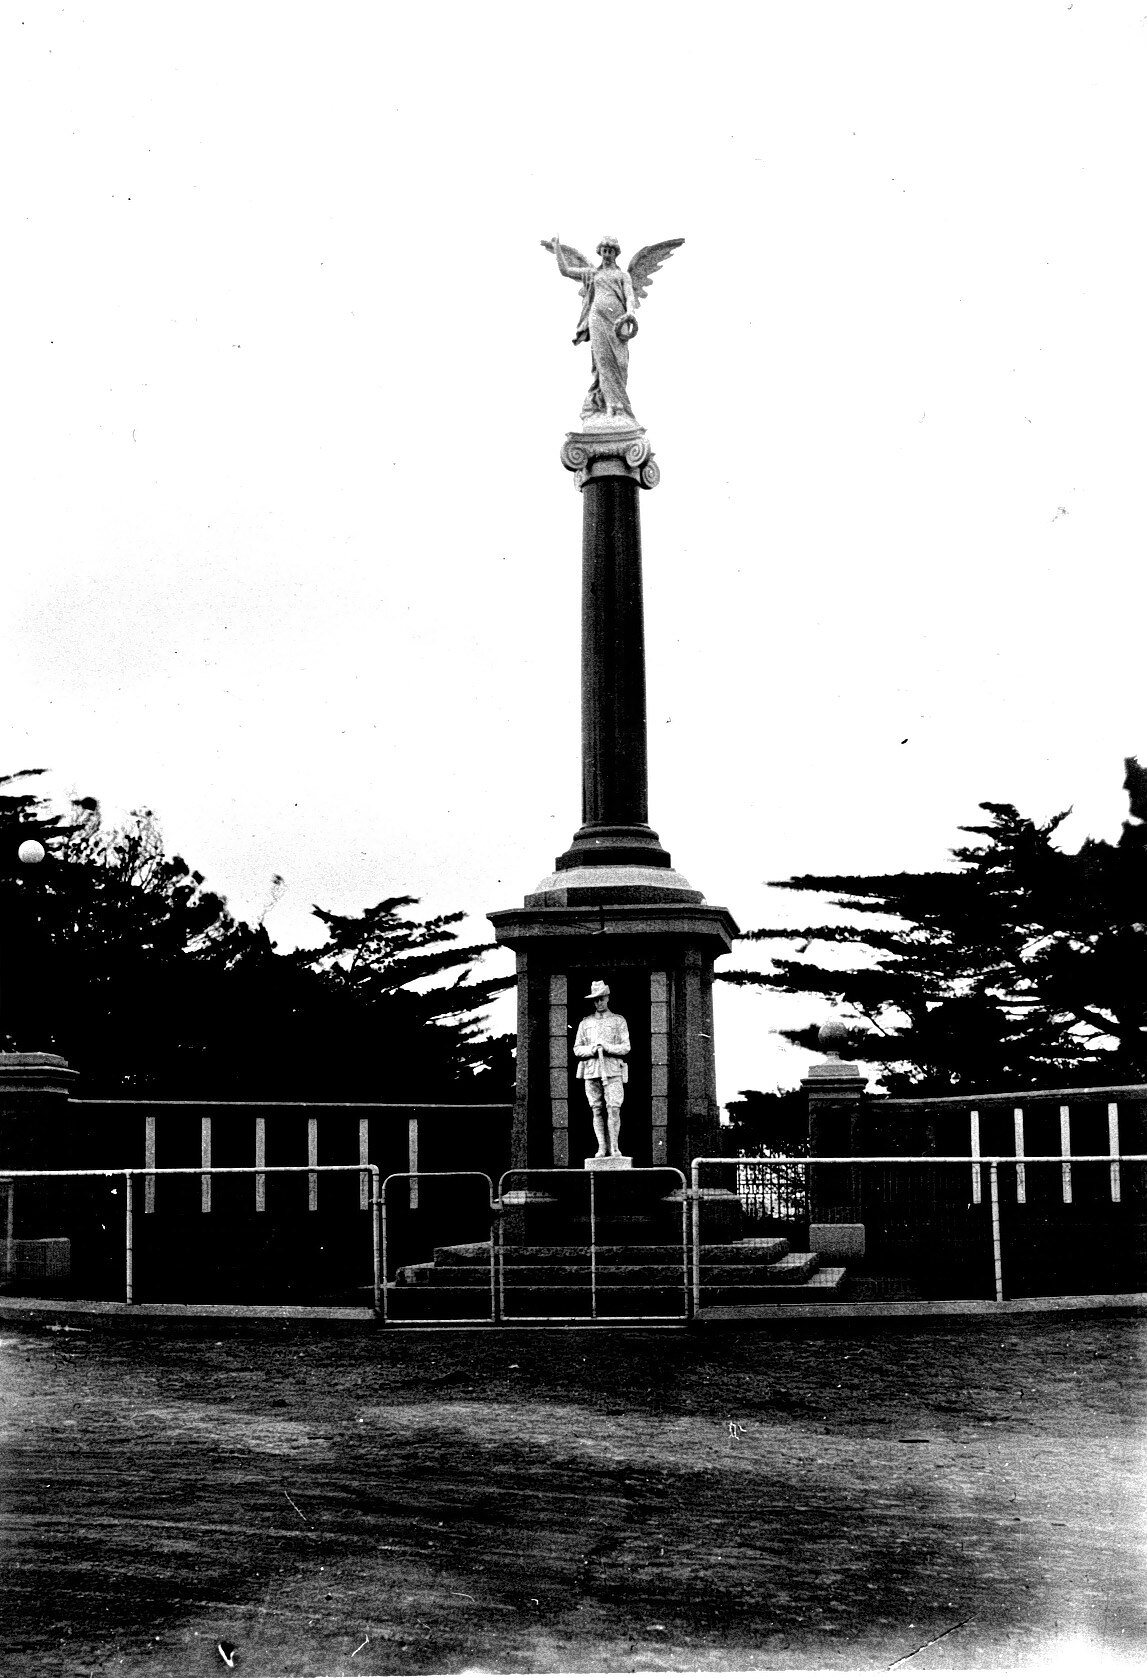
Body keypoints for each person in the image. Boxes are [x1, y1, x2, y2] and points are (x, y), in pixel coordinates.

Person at [552, 235, 639, 422]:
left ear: (616, 253)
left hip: (618, 321)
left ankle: (621, 406)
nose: (606, 254)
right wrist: (557, 247)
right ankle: (610, 406)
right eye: (604, 251)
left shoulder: (623, 275)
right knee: (603, 362)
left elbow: (630, 296)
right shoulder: (593, 273)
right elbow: (565, 271)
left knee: (620, 363)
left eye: (610, 251)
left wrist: (630, 313)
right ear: (600, 252)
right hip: (597, 319)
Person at [573, 980, 631, 1158]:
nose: (598, 1003)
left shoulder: (618, 1020)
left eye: (601, 999)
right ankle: (601, 1148)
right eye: (595, 1000)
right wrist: (592, 1049)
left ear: (607, 998)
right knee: (596, 1109)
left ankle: (614, 1147)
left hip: (612, 1071)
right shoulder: (585, 1023)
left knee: (613, 1108)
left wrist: (607, 1047)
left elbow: (626, 1047)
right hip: (592, 1071)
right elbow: (577, 1049)